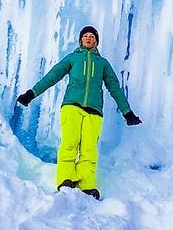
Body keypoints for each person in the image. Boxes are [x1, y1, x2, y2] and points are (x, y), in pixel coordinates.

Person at [17, 24, 141, 200]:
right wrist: (31, 94)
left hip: (94, 111)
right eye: (86, 36)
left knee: (89, 149)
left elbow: (115, 88)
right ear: (81, 40)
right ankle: (65, 179)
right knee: (69, 143)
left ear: (96, 41)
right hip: (72, 106)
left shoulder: (102, 63)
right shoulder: (72, 59)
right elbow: (52, 77)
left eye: (92, 36)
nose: (89, 38)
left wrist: (127, 112)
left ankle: (87, 185)